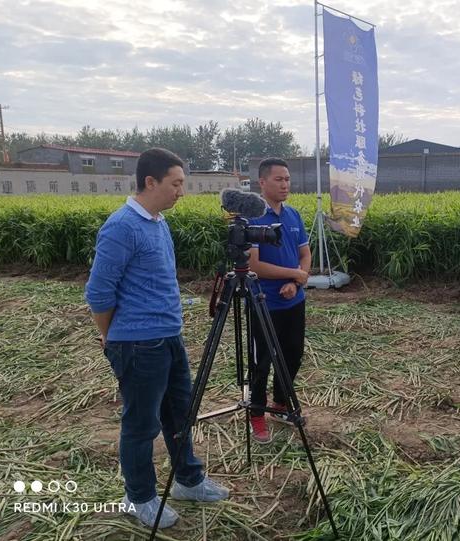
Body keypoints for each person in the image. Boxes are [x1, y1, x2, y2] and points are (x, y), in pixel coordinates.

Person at [85, 148, 229, 529]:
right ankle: (139, 497)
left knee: (179, 413)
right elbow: (99, 293)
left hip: (168, 336)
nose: (182, 191)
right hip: (137, 343)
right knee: (141, 424)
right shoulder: (121, 227)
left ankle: (188, 480)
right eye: (176, 183)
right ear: (151, 182)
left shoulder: (157, 221)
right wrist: (110, 337)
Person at [247, 157, 311, 443]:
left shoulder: (293, 215)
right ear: (262, 182)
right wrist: (294, 274)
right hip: (263, 303)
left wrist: (296, 282)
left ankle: (281, 403)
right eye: (279, 179)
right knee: (261, 362)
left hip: (293, 300)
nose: (285, 184)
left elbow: (305, 255)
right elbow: (255, 266)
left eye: (287, 179)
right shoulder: (252, 218)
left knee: (293, 354)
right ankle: (257, 415)